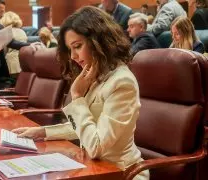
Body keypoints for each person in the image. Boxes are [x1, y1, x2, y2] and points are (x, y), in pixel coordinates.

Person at [12, 6, 150, 180]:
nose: (73, 56)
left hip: (121, 172)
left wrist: (77, 96)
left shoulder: (122, 82)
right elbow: (88, 127)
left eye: (77, 46)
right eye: (70, 49)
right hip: (95, 167)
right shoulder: (97, 74)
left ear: (99, 41)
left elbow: (96, 146)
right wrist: (43, 132)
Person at [0, 11, 27, 78]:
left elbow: (3, 52)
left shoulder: (6, 32)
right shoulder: (22, 31)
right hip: (22, 62)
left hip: (11, 64)